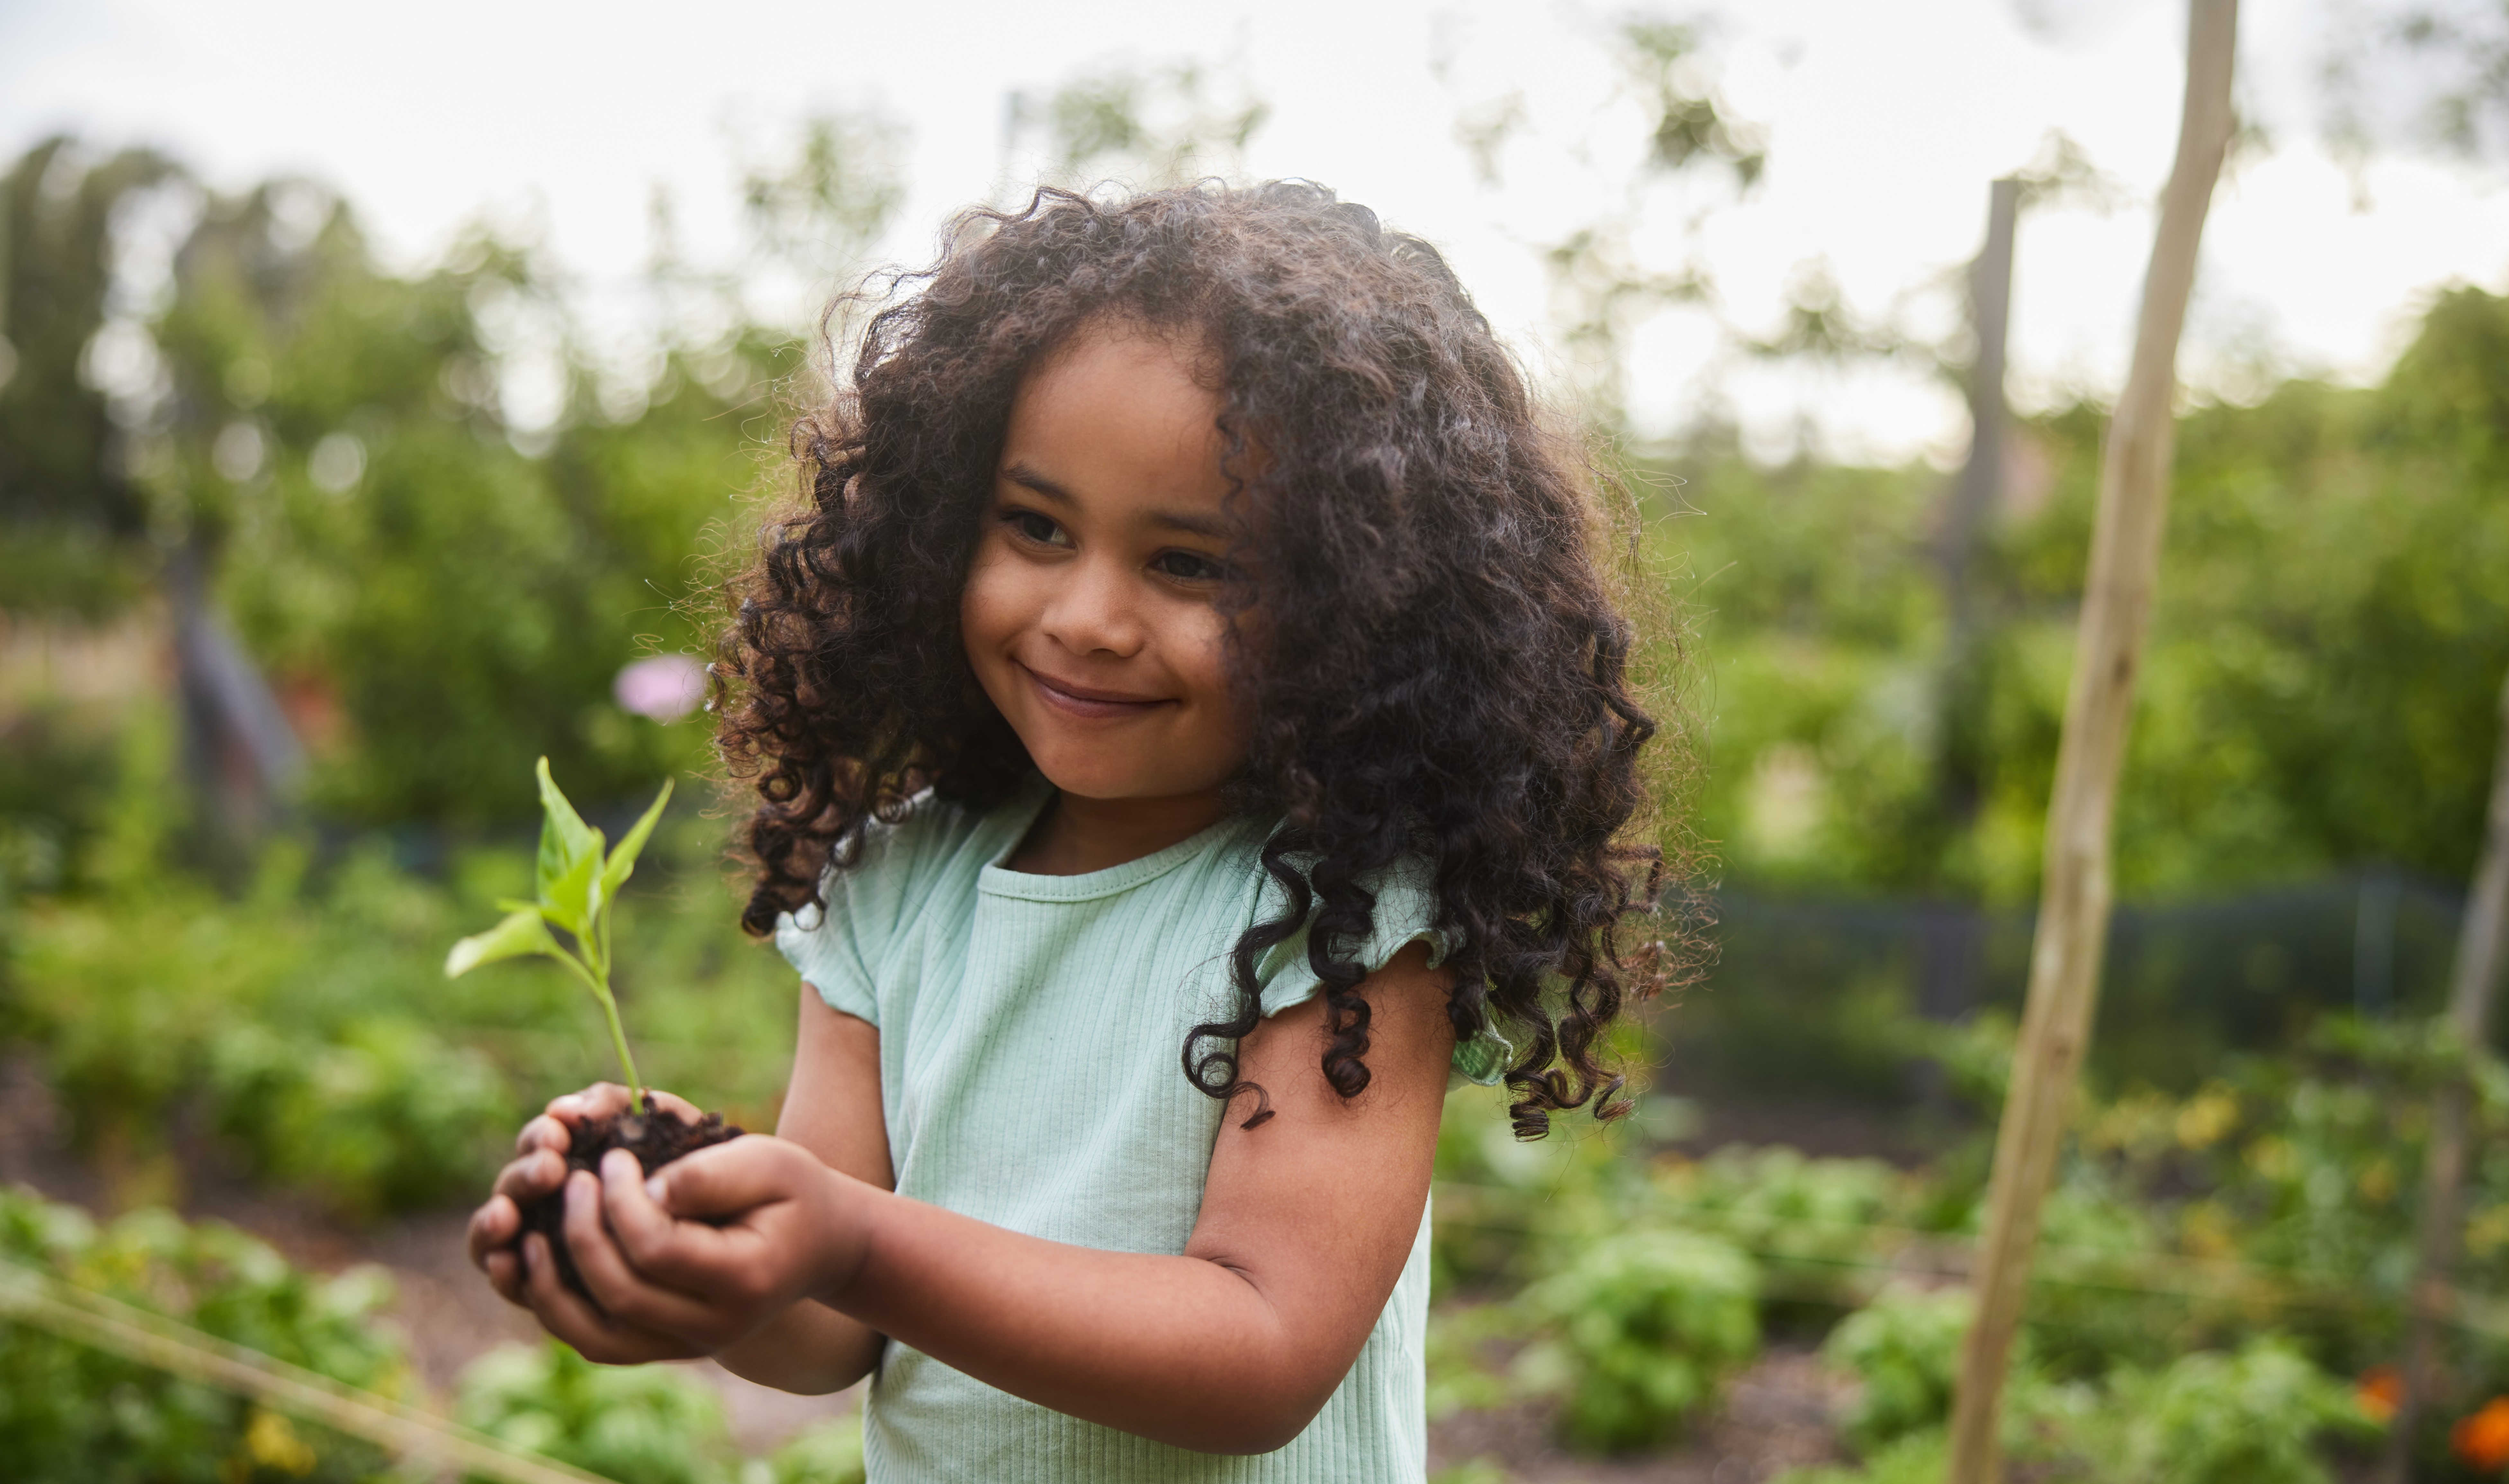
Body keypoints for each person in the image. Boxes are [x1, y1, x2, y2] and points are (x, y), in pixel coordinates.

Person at [465, 180, 1672, 1481]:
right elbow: (829, 1339)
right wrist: (684, 1248)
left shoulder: (1336, 918)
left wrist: (854, 1240)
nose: (1087, 616)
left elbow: (1258, 1350)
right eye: (1034, 527)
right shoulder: (894, 884)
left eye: (1189, 563)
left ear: (1361, 610)